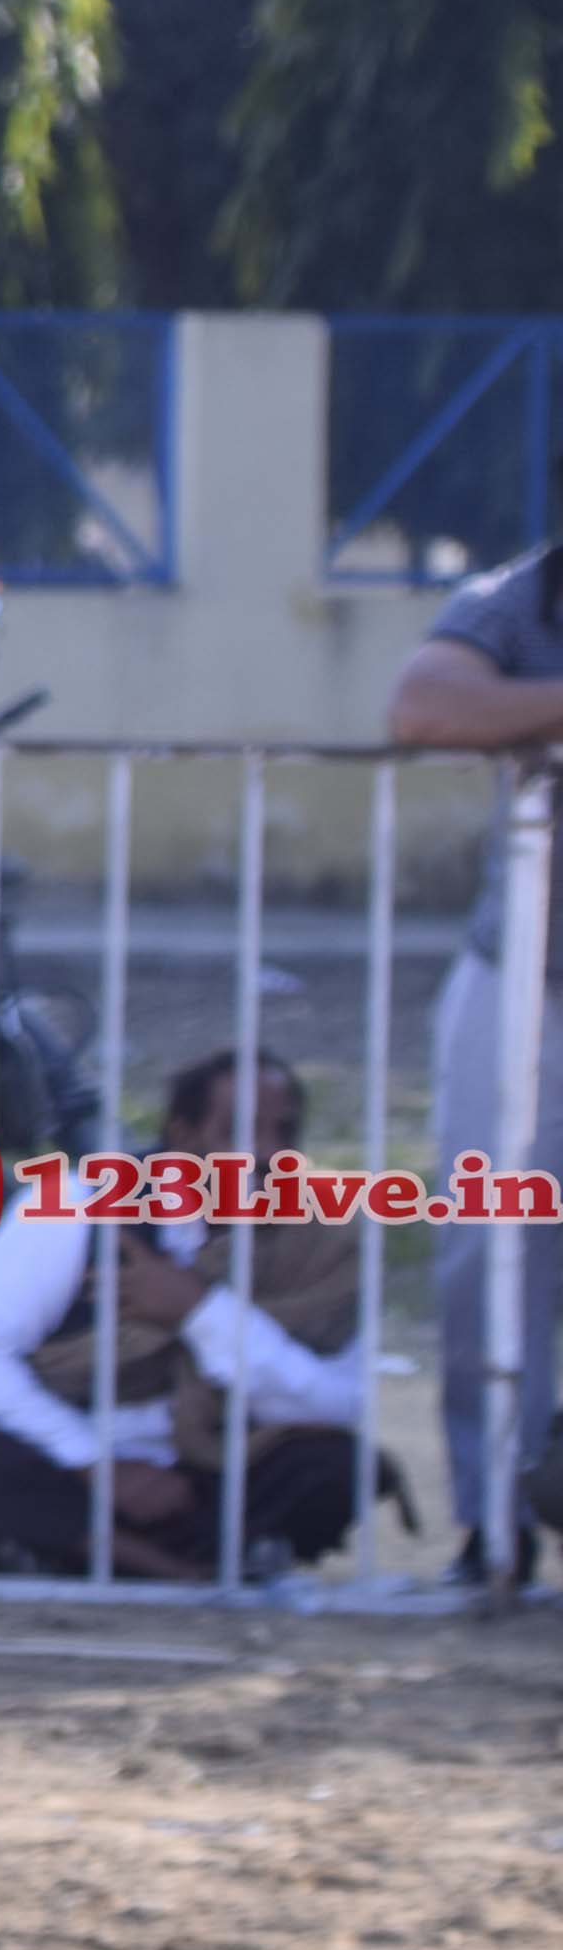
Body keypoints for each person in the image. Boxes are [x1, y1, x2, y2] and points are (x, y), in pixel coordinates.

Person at [0, 1049, 375, 1584]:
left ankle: (80, 1557)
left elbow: (337, 1404)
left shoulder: (320, 1245)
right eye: (237, 1132)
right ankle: (170, 1567)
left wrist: (199, 1311)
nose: (266, 1154)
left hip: (214, 1469)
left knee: (338, 1464)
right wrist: (97, 1465)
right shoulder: (81, 1204)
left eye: (284, 1132)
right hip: (68, 1465)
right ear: (182, 1136)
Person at [379, 537, 563, 1584]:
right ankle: (494, 1524)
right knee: (487, 1251)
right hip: (526, 978)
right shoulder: (522, 595)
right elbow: (422, 707)